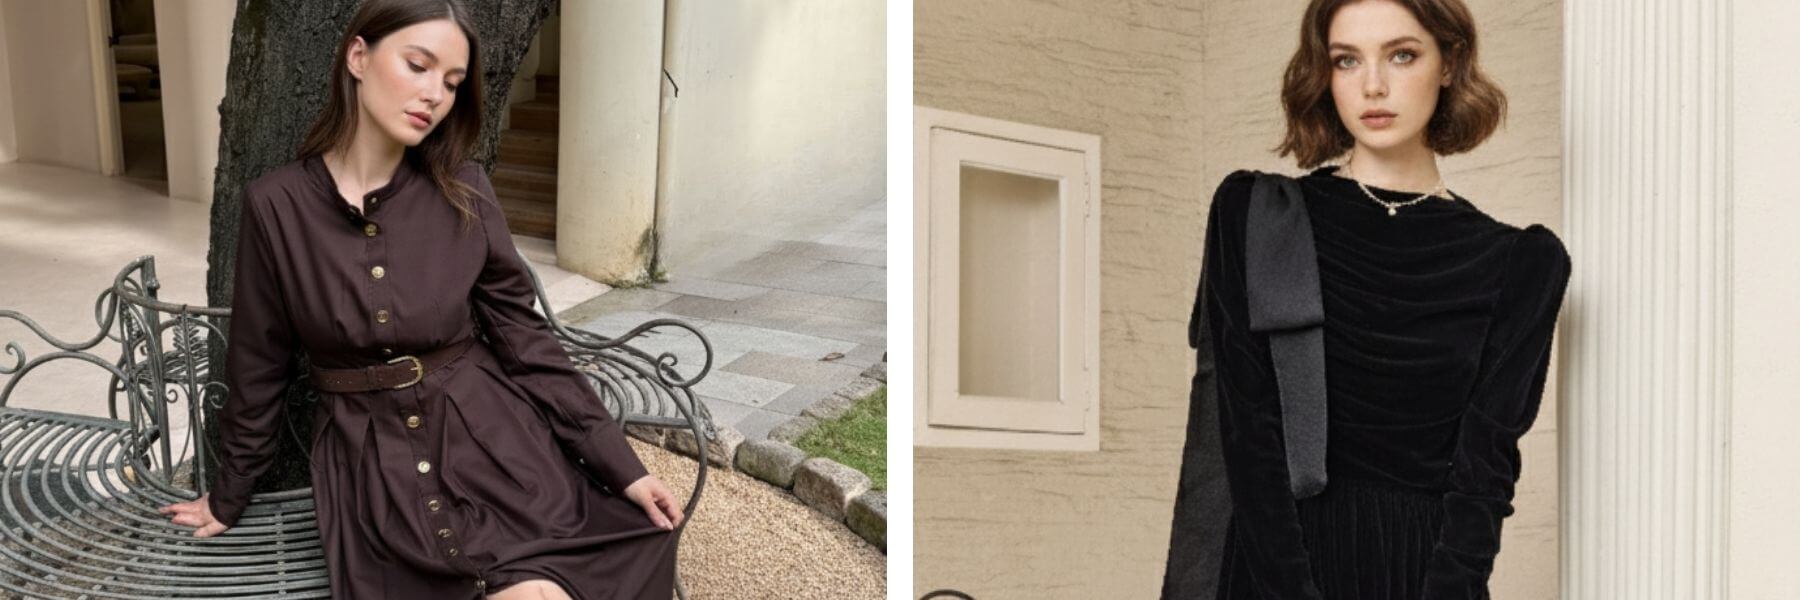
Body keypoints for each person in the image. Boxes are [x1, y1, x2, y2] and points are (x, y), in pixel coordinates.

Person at [154, 1, 684, 598]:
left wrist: (623, 467)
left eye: (452, 82)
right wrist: (228, 497)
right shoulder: (276, 207)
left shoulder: (465, 192)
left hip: (491, 442)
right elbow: (258, 367)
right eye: (418, 65)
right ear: (359, 56)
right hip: (371, 465)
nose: (435, 94)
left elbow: (527, 342)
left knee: (584, 567)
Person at [1161, 0, 1572, 598]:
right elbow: (1247, 430)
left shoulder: (1520, 263)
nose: (1373, 86)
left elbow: (1484, 472)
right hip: (1271, 568)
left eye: (1401, 55)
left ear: (1450, 62)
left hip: (1421, 577)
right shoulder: (1257, 215)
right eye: (1347, 61)